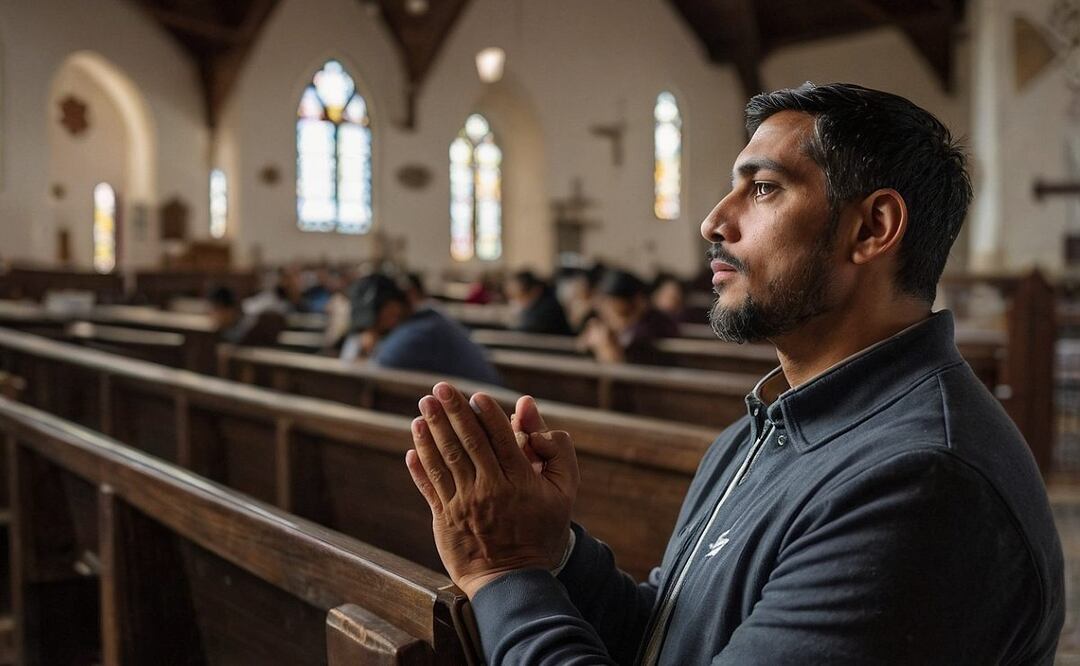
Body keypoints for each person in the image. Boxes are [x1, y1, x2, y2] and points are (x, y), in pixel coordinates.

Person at [402, 83, 1065, 664]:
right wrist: (554, 556)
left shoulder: (922, 484)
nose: (714, 221)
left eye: (765, 188)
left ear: (873, 228)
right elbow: (669, 636)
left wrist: (504, 574)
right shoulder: (768, 425)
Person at [339, 273, 502, 386]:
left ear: (393, 307)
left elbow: (372, 371)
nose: (370, 329)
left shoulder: (421, 332)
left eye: (373, 323)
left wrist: (366, 348)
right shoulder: (422, 320)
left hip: (492, 412)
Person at [580, 269, 680, 364]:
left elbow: (624, 372)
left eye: (620, 313)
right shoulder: (606, 322)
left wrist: (605, 346)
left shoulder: (654, 325)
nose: (611, 318)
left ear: (638, 303)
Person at [505, 270, 574, 336]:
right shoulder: (543, 301)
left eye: (520, 296)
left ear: (534, 290)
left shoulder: (547, 308)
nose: (516, 301)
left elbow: (529, 331)